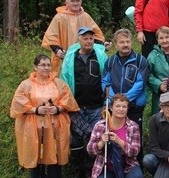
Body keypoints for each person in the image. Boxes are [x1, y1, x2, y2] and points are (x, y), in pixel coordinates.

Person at [10, 54, 80, 178]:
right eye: (43, 65)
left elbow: (68, 99)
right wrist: (34, 110)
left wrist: (59, 108)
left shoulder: (59, 83)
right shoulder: (26, 85)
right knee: (36, 157)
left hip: (55, 128)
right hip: (33, 129)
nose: (46, 67)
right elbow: (18, 103)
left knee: (55, 156)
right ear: (35, 67)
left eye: (48, 65)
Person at [60, 27, 108, 178]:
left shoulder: (101, 56)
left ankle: (91, 169)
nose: (88, 41)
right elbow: (64, 81)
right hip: (77, 106)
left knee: (95, 138)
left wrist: (107, 101)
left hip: (96, 106)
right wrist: (68, 104)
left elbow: (107, 79)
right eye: (85, 38)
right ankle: (78, 170)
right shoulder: (70, 58)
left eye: (91, 39)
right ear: (79, 40)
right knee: (76, 140)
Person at [102, 29, 148, 161]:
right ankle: (114, 165)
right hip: (115, 107)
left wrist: (125, 99)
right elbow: (105, 82)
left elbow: (140, 83)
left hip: (134, 106)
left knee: (135, 137)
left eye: (128, 41)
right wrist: (115, 100)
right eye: (121, 42)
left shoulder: (140, 60)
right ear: (116, 44)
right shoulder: (110, 62)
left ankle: (137, 166)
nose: (125, 44)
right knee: (115, 135)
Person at [42, 0, 108, 77]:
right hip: (64, 56)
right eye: (72, 1)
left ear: (81, 2)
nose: (75, 3)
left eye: (78, 0)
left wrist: (102, 45)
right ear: (67, 2)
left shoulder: (85, 16)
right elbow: (51, 36)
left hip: (84, 56)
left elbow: (96, 35)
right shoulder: (59, 17)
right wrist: (57, 49)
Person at [87, 94, 143, 178]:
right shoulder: (100, 125)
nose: (121, 109)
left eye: (124, 107)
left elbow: (135, 152)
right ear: (111, 108)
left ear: (127, 109)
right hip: (106, 167)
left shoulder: (133, 126)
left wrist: (119, 141)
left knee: (137, 176)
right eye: (118, 106)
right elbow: (90, 150)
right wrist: (101, 143)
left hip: (128, 166)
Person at [146, 26, 169, 115]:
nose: (164, 40)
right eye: (161, 38)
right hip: (160, 93)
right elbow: (148, 74)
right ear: (157, 40)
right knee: (159, 120)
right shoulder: (152, 55)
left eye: (167, 37)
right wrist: (159, 84)